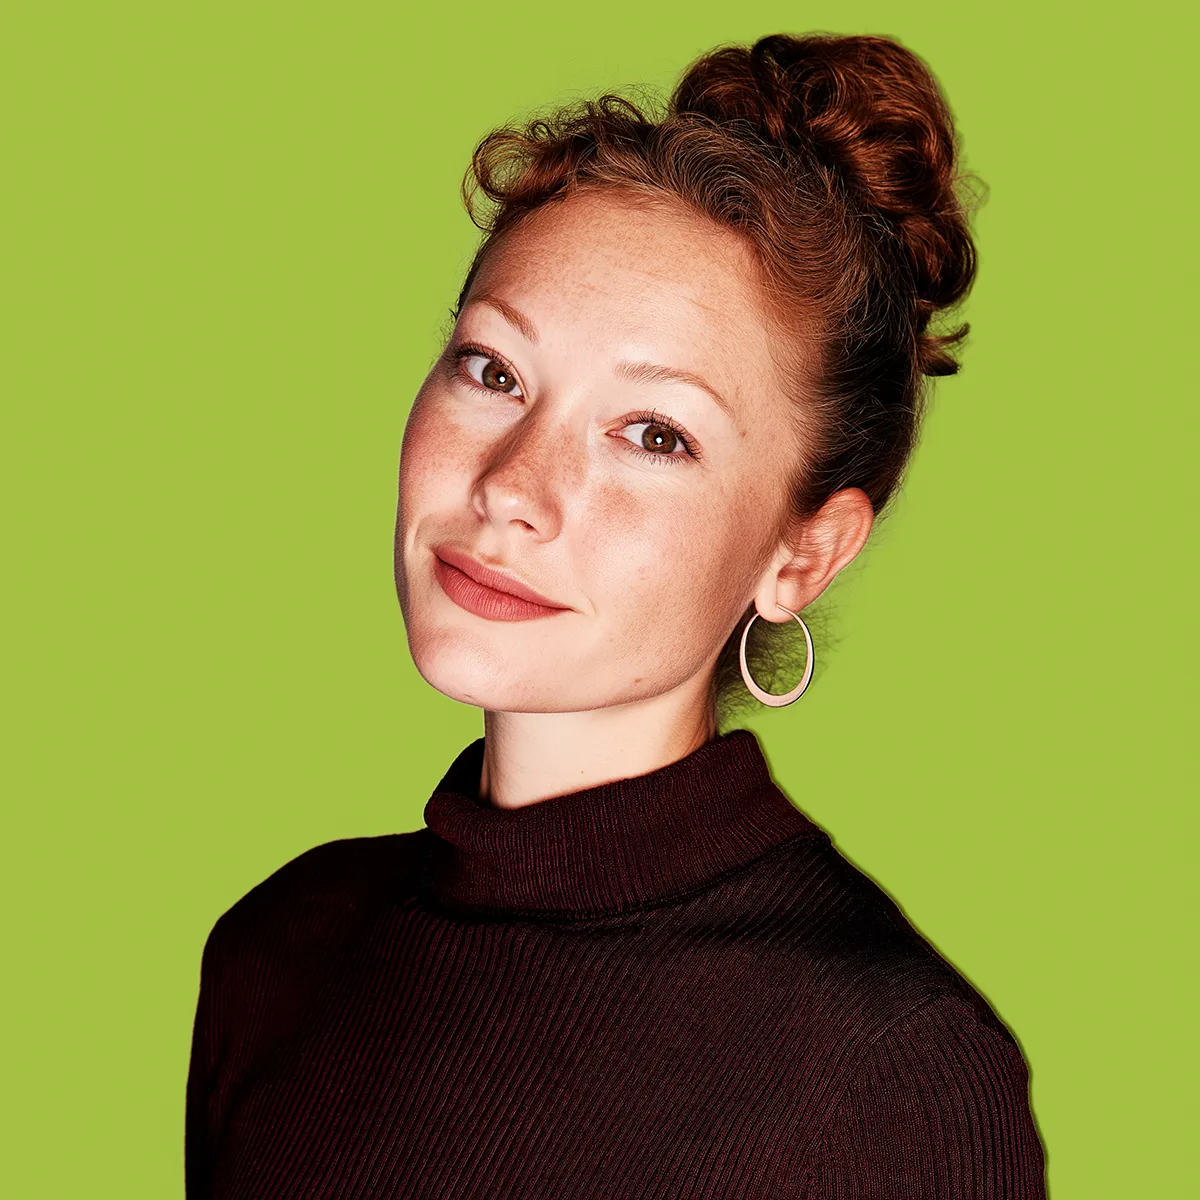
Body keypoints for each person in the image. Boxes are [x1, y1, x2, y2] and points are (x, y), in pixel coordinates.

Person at [185, 31, 1047, 1198]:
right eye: (494, 371)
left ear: (805, 552)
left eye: (655, 435)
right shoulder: (278, 951)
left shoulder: (885, 1073)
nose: (511, 489)